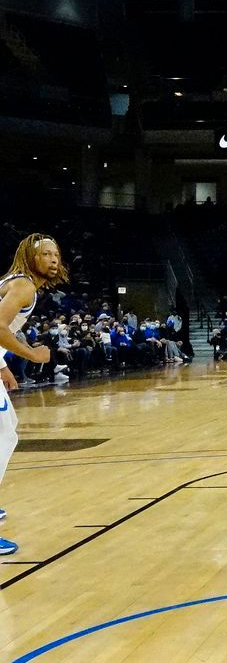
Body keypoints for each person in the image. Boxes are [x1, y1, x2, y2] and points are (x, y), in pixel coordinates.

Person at [0, 235, 66, 556]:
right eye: (46, 254)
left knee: (7, 430)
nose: (53, 260)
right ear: (30, 256)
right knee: (2, 436)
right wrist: (31, 355)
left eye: (56, 254)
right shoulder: (24, 286)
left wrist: (1, 366)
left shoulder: (17, 282)